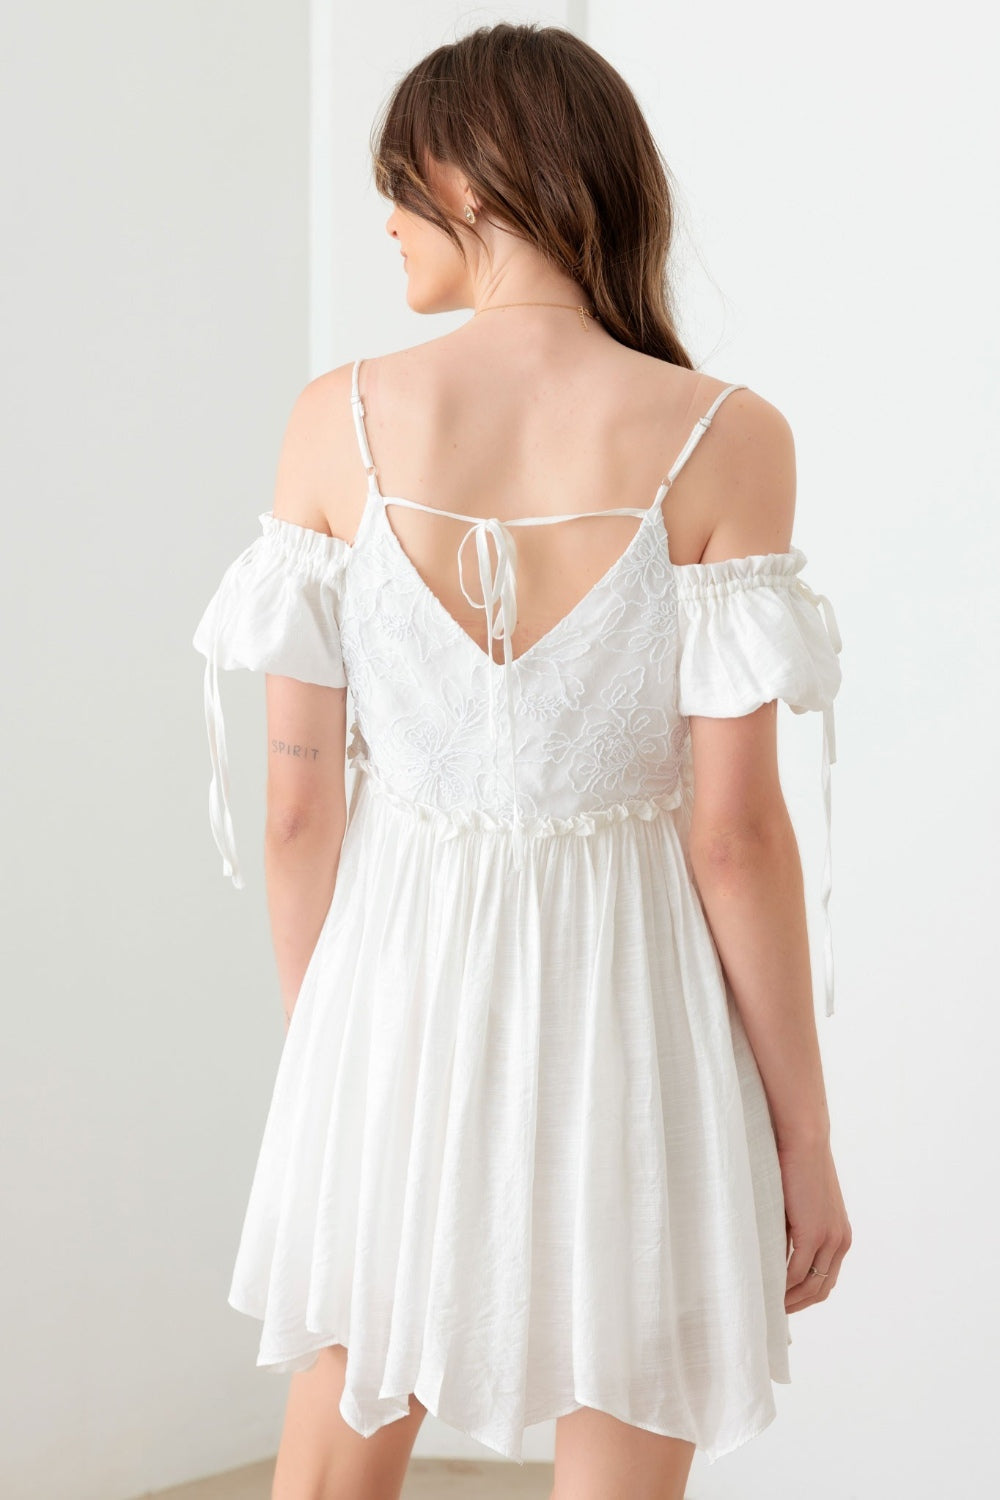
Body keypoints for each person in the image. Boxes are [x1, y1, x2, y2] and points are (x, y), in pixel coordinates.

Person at [192, 21, 851, 1500]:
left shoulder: (338, 420)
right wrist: (803, 1136)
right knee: (627, 1397)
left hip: (396, 981)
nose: (385, 222)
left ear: (476, 183)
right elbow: (736, 838)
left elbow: (300, 806)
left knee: (329, 1463)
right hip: (637, 997)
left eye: (400, 190)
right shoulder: (727, 437)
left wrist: (332, 1051)